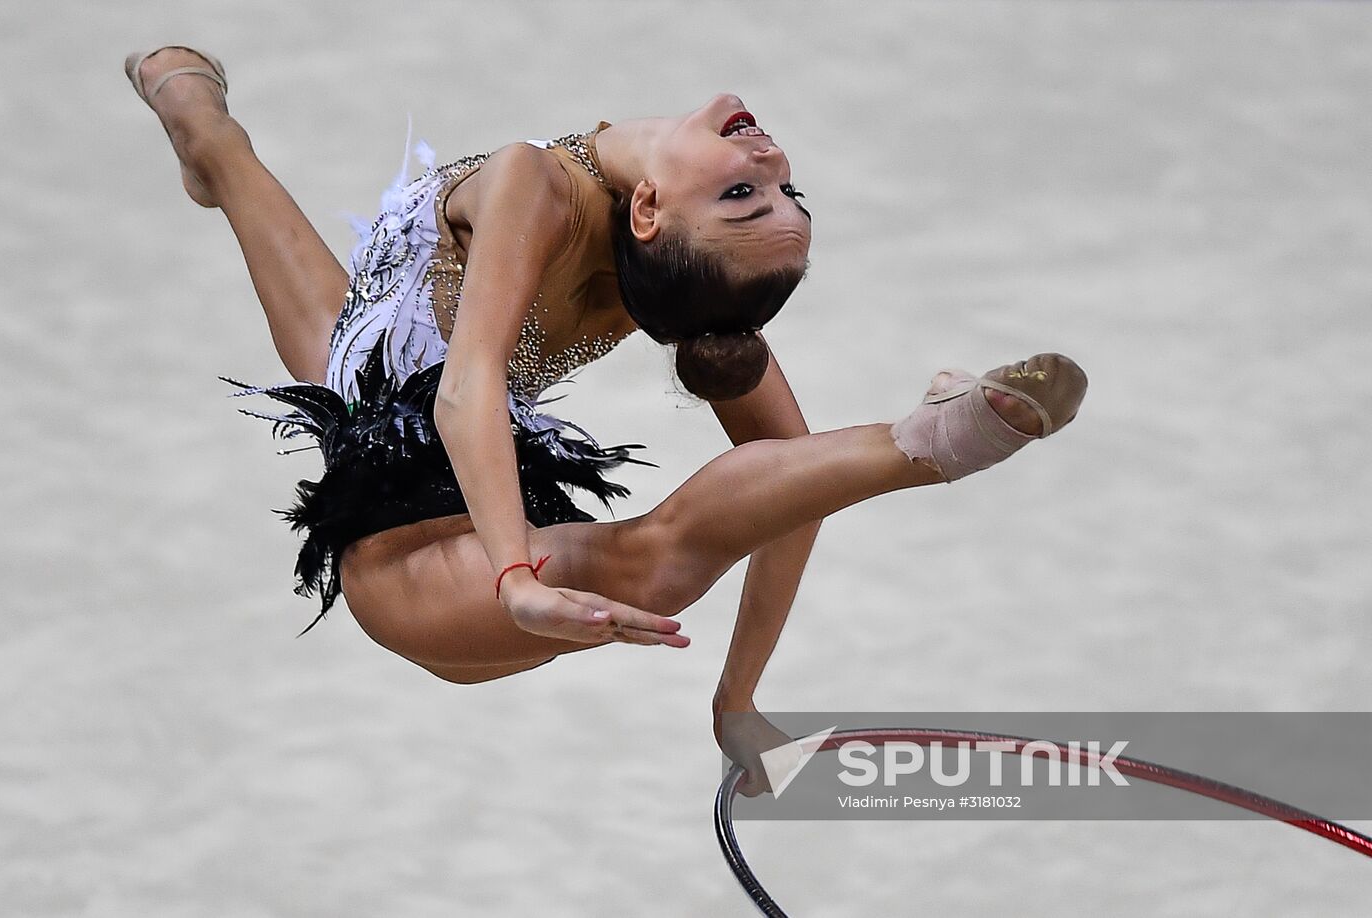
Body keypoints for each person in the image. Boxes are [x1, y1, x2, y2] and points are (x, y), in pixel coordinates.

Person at [125, 46, 1088, 793]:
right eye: (769, 191)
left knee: (654, 553)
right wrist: (515, 579)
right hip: (434, 493)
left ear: (652, 216)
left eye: (754, 194)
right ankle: (196, 118)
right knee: (307, 282)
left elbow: (793, 488)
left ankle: (928, 441)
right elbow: (467, 388)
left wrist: (737, 703)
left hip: (412, 566)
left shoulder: (607, 236)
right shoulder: (537, 185)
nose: (772, 159)